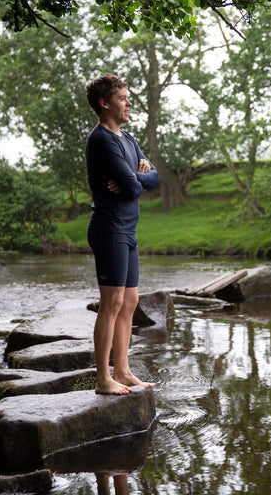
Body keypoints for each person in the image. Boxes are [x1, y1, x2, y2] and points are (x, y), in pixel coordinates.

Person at [85, 73, 159, 395]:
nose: (128, 103)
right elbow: (133, 185)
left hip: (128, 229)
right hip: (109, 228)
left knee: (130, 301)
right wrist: (134, 179)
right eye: (122, 98)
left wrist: (135, 178)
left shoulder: (127, 139)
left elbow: (154, 178)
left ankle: (123, 370)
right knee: (112, 302)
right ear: (104, 103)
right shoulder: (100, 140)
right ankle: (103, 378)